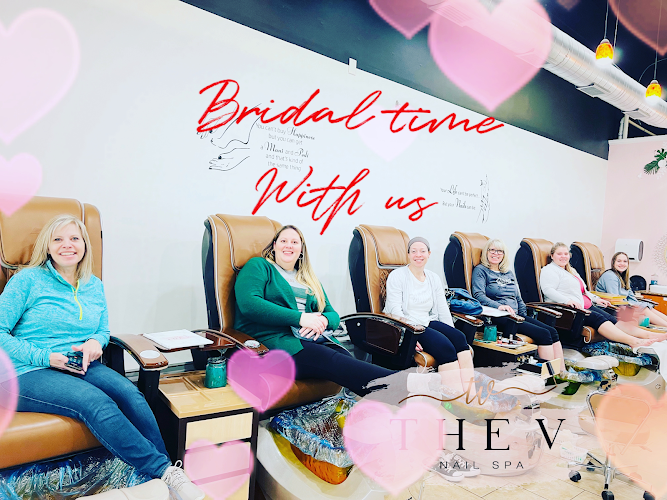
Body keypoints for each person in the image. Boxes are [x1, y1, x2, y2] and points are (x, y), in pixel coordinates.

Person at [0, 215, 204, 500]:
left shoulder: (93, 284)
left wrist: (96, 342)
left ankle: (163, 481)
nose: (67, 245)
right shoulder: (28, 280)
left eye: (74, 238)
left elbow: (102, 330)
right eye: (58, 239)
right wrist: (47, 357)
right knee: (96, 402)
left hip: (78, 363)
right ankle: (167, 472)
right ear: (47, 246)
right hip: (26, 370)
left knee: (131, 395)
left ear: (85, 244)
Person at [234, 225, 396, 396]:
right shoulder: (259, 266)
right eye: (283, 241)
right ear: (274, 246)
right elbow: (249, 304)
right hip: (275, 343)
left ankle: (393, 397)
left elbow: (333, 315)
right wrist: (301, 318)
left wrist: (324, 320)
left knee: (347, 363)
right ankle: (400, 385)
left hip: (312, 339)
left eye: (294, 242)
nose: (289, 245)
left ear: (301, 249)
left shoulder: (308, 279)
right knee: (332, 361)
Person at [383, 237, 475, 393]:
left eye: (422, 251)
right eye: (414, 251)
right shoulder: (397, 276)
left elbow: (442, 308)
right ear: (408, 254)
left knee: (460, 338)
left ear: (429, 254)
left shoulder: (433, 278)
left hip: (427, 320)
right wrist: (408, 335)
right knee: (445, 348)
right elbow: (394, 310)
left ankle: (470, 393)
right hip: (410, 325)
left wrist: (451, 332)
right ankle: (455, 398)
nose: (418, 255)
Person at [540, 242, 661, 348]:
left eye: (566, 254)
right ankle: (633, 341)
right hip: (567, 310)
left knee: (612, 318)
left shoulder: (571, 271)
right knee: (598, 318)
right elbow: (548, 290)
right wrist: (567, 301)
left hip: (584, 306)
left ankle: (648, 335)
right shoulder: (549, 270)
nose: (563, 256)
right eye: (559, 254)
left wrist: (596, 299)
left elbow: (584, 291)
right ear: (552, 256)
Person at [472, 239, 564, 362]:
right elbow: (478, 295)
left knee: (552, 331)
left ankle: (561, 371)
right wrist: (499, 306)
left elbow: (517, 297)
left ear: (504, 254)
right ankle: (549, 372)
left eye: (500, 251)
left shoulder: (508, 273)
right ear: (486, 252)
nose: (496, 253)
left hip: (516, 316)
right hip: (499, 316)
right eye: (492, 250)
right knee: (544, 334)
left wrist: (524, 316)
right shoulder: (481, 270)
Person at [596, 252, 667, 327]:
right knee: (643, 309)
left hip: (622, 305)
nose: (622, 263)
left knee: (646, 306)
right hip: (610, 308)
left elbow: (631, 297)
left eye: (625, 261)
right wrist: (635, 307)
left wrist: (638, 305)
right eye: (619, 261)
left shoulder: (624, 278)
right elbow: (615, 300)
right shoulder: (610, 276)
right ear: (613, 263)